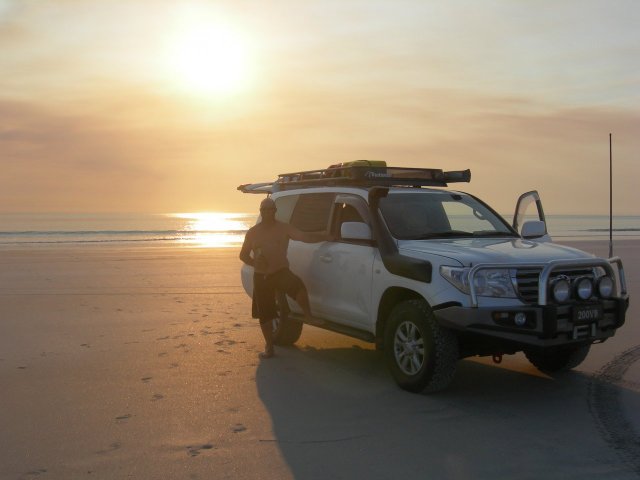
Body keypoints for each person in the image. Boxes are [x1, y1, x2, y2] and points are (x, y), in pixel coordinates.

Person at [239, 197, 331, 359]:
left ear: (275, 211)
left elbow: (304, 237)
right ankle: (269, 345)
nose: (268, 212)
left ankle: (308, 315)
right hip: (262, 277)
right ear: (261, 212)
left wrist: (325, 235)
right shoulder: (253, 232)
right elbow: (243, 255)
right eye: (264, 210)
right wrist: (254, 263)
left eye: (271, 209)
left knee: (298, 287)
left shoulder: (283, 228)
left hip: (280, 271)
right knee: (265, 314)